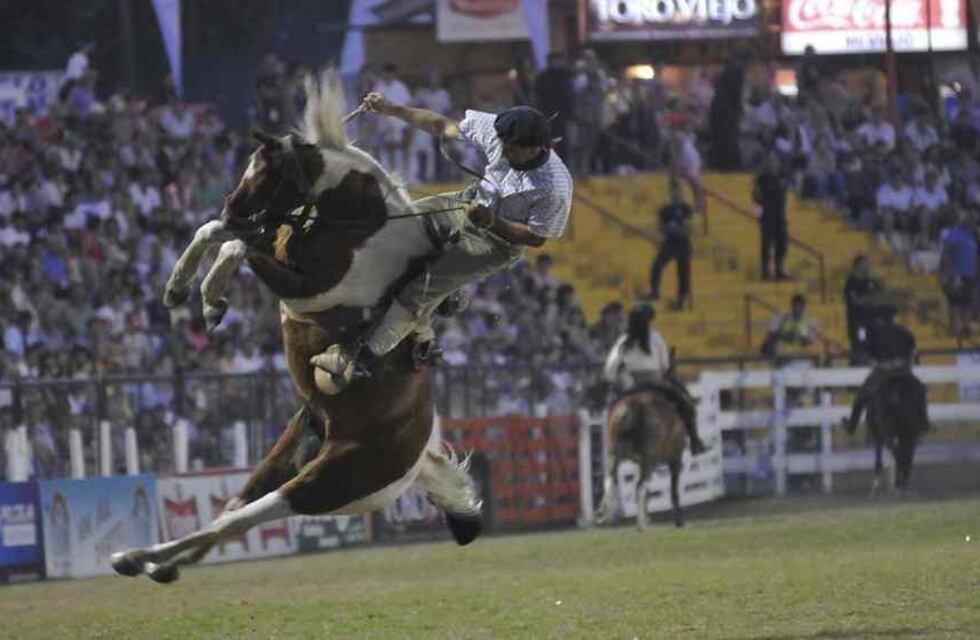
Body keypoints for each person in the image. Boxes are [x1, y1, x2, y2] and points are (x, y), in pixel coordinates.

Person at [312, 96, 573, 391]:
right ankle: (447, 298)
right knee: (395, 222)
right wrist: (390, 108)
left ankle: (361, 359)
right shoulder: (500, 133)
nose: (504, 151)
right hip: (468, 203)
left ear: (536, 148)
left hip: (497, 242)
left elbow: (535, 238)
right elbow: (441, 124)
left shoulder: (555, 187)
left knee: (421, 288)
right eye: (503, 144)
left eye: (513, 149)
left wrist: (491, 222)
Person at [602, 304, 706, 455]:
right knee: (686, 405)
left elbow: (609, 369)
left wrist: (613, 379)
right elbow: (665, 366)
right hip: (655, 383)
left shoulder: (623, 341)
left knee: (612, 408)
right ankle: (695, 442)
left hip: (631, 384)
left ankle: (613, 443)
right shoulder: (656, 338)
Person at [844, 304, 928, 435]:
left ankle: (852, 425)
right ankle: (923, 422)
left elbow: (868, 356)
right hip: (903, 371)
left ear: (880, 319)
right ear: (893, 318)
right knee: (920, 390)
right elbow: (913, 353)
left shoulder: (875, 334)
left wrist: (874, 362)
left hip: (883, 371)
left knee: (861, 397)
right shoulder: (905, 332)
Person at [648, 179, 693, 310]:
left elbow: (690, 227)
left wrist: (678, 228)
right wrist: (667, 228)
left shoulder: (686, 208)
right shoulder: (665, 209)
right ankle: (655, 291)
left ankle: (681, 299)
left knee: (683, 272)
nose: (675, 195)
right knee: (657, 265)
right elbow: (660, 227)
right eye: (673, 192)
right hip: (669, 242)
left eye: (678, 192)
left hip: (683, 242)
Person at [939, 210, 978, 340]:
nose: (974, 223)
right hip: (957, 274)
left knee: (967, 303)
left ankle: (966, 330)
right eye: (972, 221)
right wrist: (947, 275)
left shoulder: (972, 236)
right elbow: (946, 255)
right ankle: (954, 331)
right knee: (956, 303)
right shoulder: (953, 234)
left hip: (970, 275)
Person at [753, 151, 790, 280]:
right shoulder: (760, 179)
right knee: (767, 244)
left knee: (782, 242)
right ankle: (765, 271)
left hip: (780, 213)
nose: (773, 163)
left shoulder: (782, 177)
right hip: (767, 214)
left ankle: (779, 268)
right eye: (770, 160)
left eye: (775, 160)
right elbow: (756, 198)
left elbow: (784, 195)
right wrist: (758, 214)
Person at [844, 256, 885, 364]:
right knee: (860, 344)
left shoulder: (872, 282)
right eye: (862, 265)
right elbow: (853, 300)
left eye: (866, 265)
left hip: (872, 323)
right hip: (858, 323)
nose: (865, 267)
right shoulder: (851, 282)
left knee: (874, 346)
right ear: (856, 267)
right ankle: (857, 366)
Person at [762, 294, 814, 361]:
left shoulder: (809, 321)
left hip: (799, 355)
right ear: (792, 306)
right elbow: (770, 335)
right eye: (796, 305)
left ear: (804, 307)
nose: (798, 308)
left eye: (800, 306)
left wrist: (801, 338)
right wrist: (782, 326)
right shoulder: (781, 317)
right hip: (781, 354)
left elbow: (810, 341)